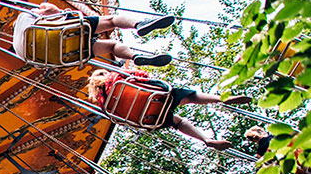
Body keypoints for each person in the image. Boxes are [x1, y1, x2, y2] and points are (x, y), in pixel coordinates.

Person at [86, 68, 251, 150]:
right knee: (190, 97)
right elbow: (141, 75)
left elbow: (118, 120)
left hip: (148, 117)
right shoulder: (116, 76)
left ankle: (206, 140)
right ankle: (221, 99)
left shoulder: (102, 102)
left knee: (177, 122)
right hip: (155, 98)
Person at [12, 2, 175, 66]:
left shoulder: (19, 42)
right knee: (112, 21)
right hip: (61, 32)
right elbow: (50, 10)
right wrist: (60, 10)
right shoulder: (28, 14)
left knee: (110, 47)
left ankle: (135, 57)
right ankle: (138, 26)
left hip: (57, 54)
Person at [245, 126, 311, 174]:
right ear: (262, 132)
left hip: (296, 163)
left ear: (253, 140)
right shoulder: (277, 135)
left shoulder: (259, 154)